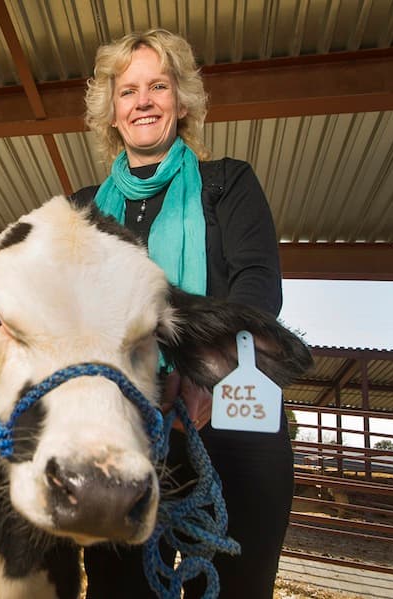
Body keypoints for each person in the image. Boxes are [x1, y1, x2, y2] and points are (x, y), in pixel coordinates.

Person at [72, 29, 289, 598]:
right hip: (118, 431)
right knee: (120, 589)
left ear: (182, 102)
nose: (143, 101)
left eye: (158, 87)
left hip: (223, 421)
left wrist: (205, 375)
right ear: (112, 113)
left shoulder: (229, 184)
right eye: (128, 91)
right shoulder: (82, 209)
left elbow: (258, 286)